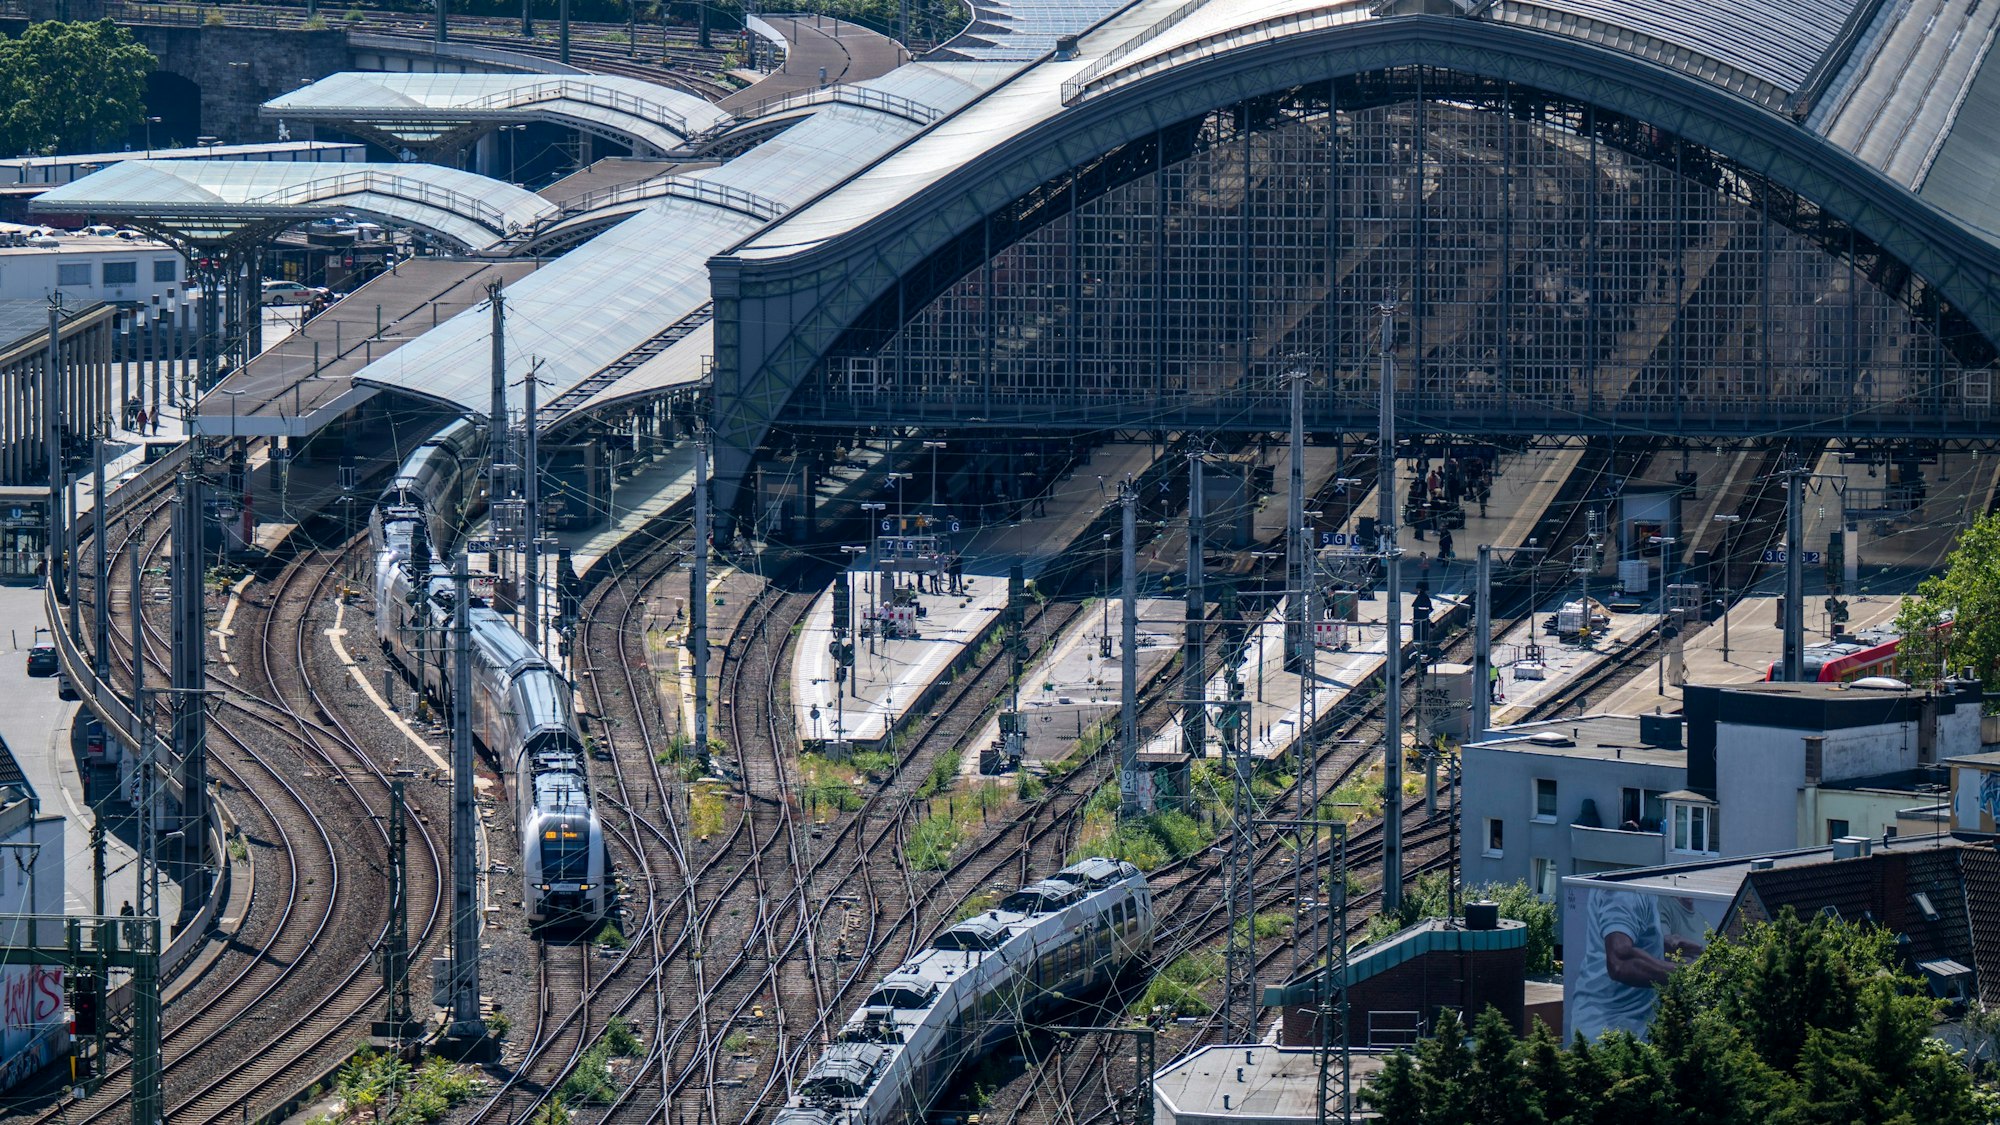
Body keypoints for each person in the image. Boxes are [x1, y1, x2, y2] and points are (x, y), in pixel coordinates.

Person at [1566, 887, 1706, 1041]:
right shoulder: (1625, 894)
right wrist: (1690, 973)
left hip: (1624, 1026)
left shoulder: (1640, 890)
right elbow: (1620, 961)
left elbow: (1632, 937)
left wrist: (1662, 943)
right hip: (1611, 1029)